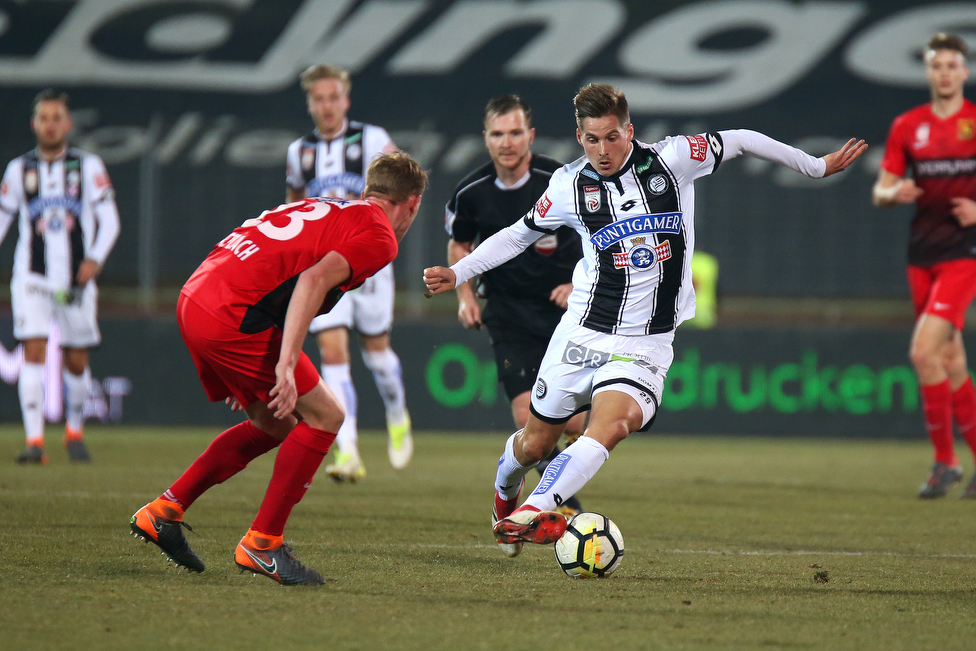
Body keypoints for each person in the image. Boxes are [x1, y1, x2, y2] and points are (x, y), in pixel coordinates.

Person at [424, 84, 866, 552]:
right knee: (533, 443)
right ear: (579, 138)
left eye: (611, 137)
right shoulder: (570, 186)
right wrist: (458, 273)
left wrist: (814, 165)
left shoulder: (672, 159)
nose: (603, 150)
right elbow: (517, 236)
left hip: (647, 342)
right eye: (592, 140)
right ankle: (504, 493)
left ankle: (538, 505)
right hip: (582, 332)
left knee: (612, 424)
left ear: (629, 130)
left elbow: (740, 138)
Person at [129, 152, 427, 586]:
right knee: (327, 417)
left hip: (197, 294)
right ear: (412, 203)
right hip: (232, 313)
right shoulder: (379, 234)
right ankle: (262, 544)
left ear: (370, 190)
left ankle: (163, 512)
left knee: (274, 423)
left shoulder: (329, 204)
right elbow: (311, 282)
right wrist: (285, 363)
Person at [445, 95, 585, 554]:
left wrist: (574, 283)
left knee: (578, 423)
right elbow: (460, 245)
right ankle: (548, 505)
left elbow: (598, 235)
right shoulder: (472, 192)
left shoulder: (561, 181)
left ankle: (550, 494)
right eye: (497, 134)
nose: (506, 143)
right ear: (486, 139)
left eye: (515, 132)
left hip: (563, 311)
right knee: (528, 417)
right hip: (505, 309)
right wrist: (466, 297)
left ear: (531, 135)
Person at [285, 64, 410, 482]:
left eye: (333, 97)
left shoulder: (371, 139)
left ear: (346, 99)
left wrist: (390, 238)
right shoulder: (299, 152)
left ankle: (397, 413)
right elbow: (293, 210)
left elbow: (403, 185)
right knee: (333, 353)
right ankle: (348, 452)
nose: (326, 106)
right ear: (308, 103)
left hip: (370, 263)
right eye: (318, 98)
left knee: (378, 357)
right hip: (326, 267)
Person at [873, 33, 976, 499]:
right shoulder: (907, 126)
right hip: (922, 257)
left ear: (965, 72)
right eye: (938, 66)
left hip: (964, 253)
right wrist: (895, 194)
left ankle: (945, 462)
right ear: (930, 72)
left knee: (921, 353)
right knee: (951, 361)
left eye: (953, 65)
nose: (946, 73)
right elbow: (880, 191)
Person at [0, 89, 120, 465]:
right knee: (32, 349)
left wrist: (95, 260)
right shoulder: (19, 170)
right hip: (32, 279)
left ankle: (74, 431)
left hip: (75, 282)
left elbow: (111, 221)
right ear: (34, 124)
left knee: (76, 358)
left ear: (68, 124)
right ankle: (35, 442)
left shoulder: (89, 167)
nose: (50, 125)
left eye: (57, 118)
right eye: (44, 118)